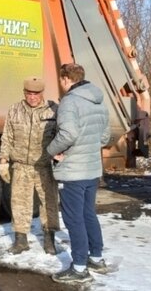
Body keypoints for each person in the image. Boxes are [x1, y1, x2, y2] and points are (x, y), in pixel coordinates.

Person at [46, 63, 111, 284]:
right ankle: (97, 258)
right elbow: (104, 137)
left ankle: (80, 268)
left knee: (74, 219)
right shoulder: (99, 101)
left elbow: (69, 134)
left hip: (73, 171)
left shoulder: (69, 102)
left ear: (65, 79)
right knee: (88, 214)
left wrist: (50, 151)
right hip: (92, 169)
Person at [0, 77, 59, 255]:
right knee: (19, 204)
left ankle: (49, 240)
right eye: (29, 93)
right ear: (24, 93)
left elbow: (61, 137)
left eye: (36, 94)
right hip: (21, 166)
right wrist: (3, 160)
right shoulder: (15, 110)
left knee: (49, 204)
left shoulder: (53, 110)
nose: (32, 97)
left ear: (42, 93)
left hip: (44, 167)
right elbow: (7, 137)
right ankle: (20, 240)